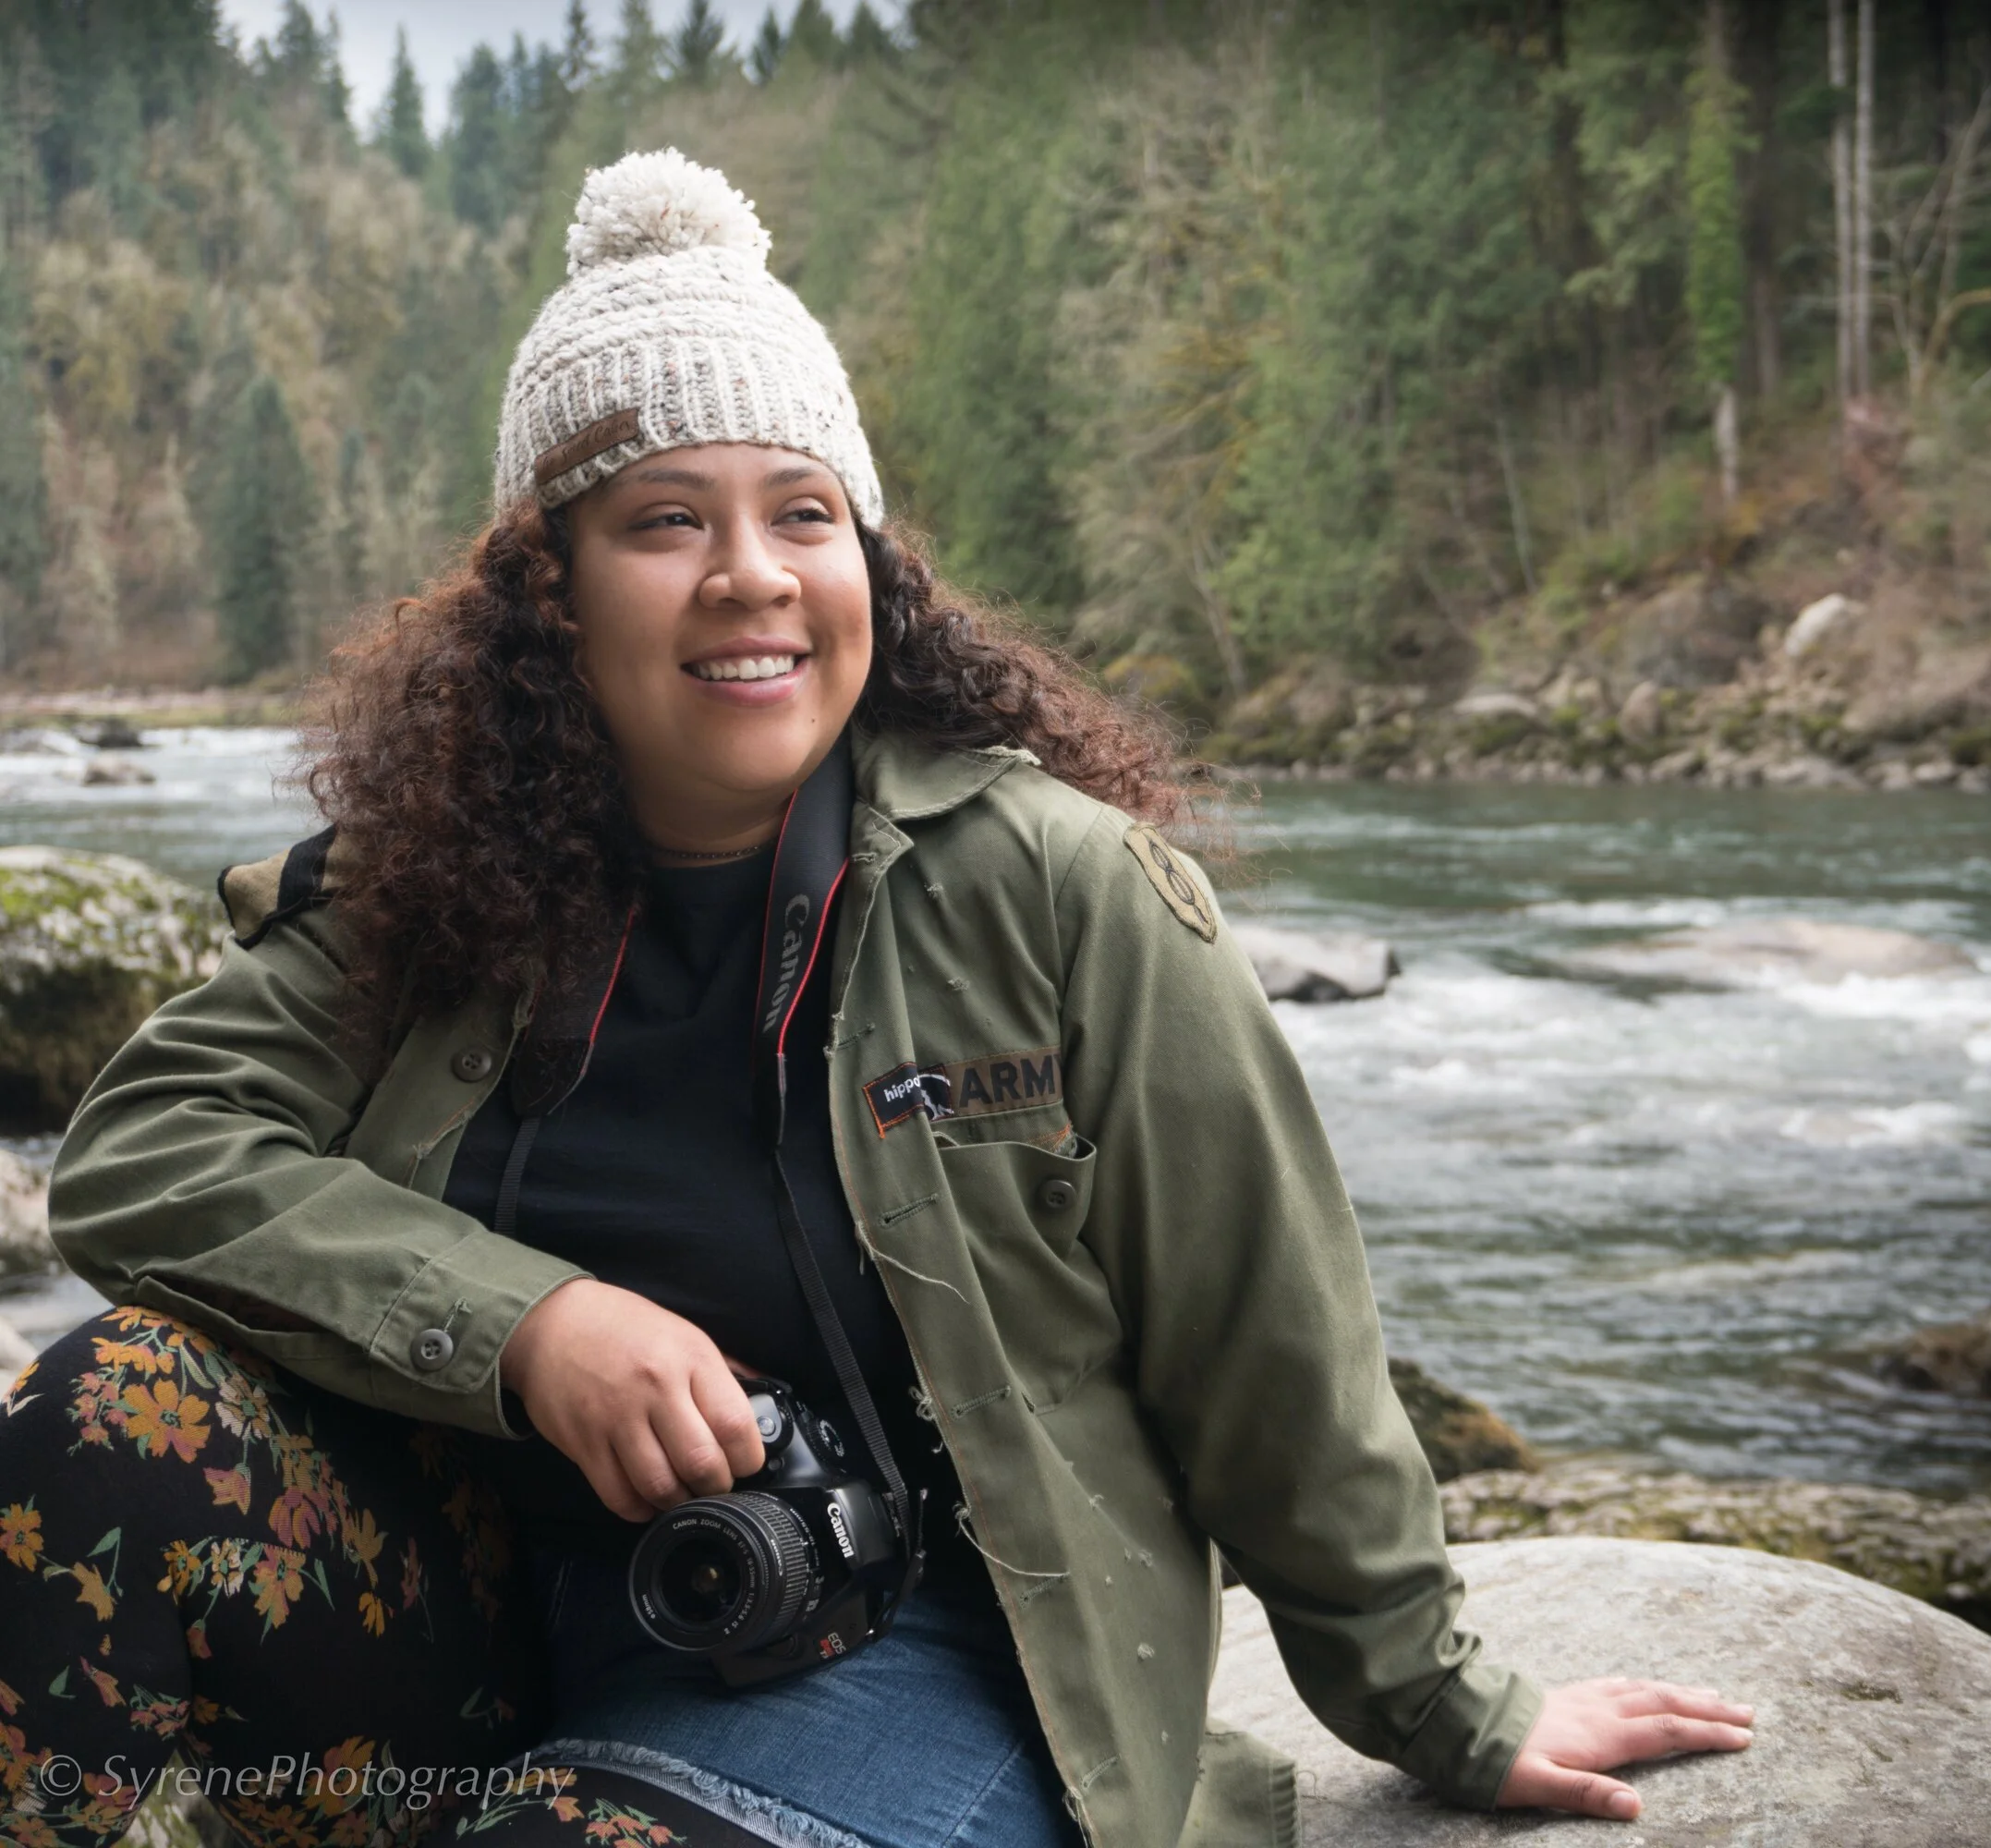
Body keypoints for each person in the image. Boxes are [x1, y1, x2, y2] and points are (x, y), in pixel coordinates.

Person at [2, 152, 1753, 1848]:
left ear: (872, 568)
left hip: (922, 1655)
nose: (750, 574)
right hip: (473, 1640)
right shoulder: (434, 890)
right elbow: (144, 1154)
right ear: (548, 596)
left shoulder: (1061, 890)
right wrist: (530, 1328)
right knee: (104, 1412)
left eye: (805, 515)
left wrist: (1447, 1710)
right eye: (665, 520)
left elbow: (1269, 1348)